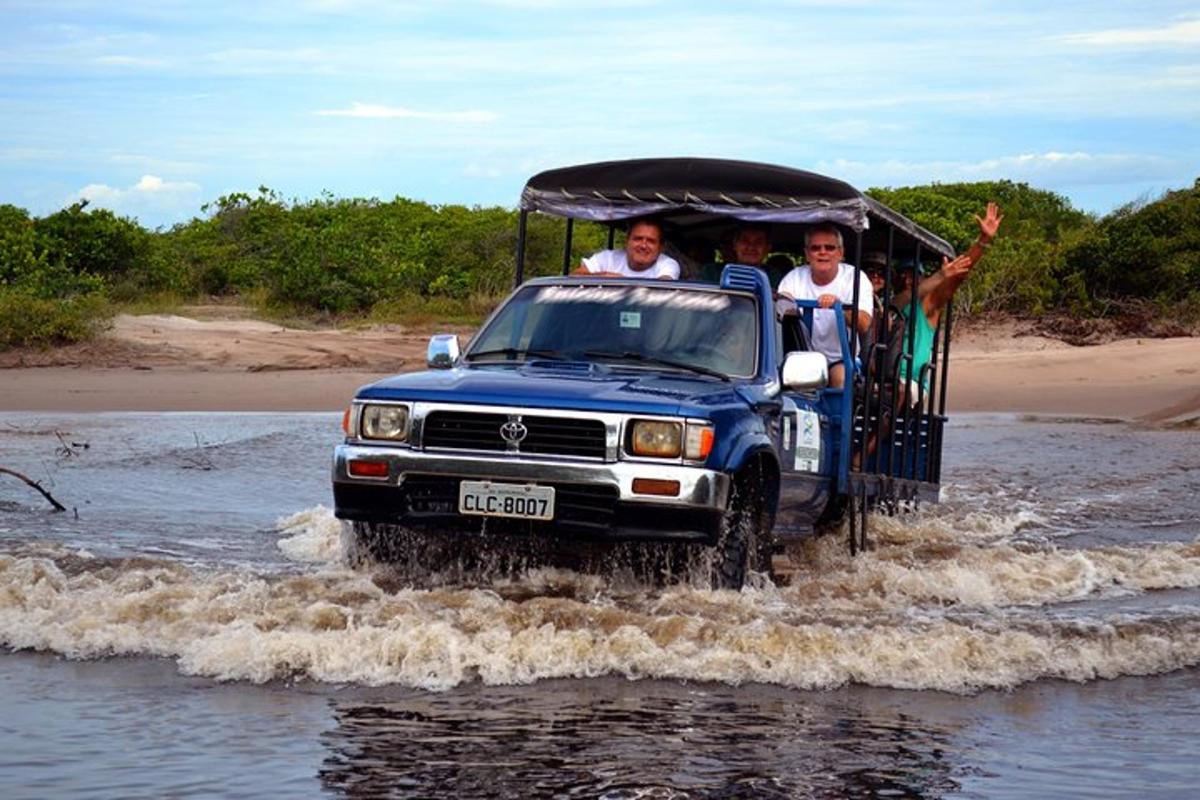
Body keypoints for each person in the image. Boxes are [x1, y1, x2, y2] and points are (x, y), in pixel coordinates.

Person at [890, 202, 1003, 401]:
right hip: (882, 377)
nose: (908, 280)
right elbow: (893, 304)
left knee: (899, 391)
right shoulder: (887, 302)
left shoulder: (927, 305)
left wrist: (982, 242)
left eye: (914, 275)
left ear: (924, 278)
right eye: (903, 275)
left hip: (910, 382)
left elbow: (956, 279)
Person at [776, 224, 874, 388]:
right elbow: (779, 314)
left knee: (841, 378)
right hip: (800, 359)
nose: (823, 252)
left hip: (841, 359)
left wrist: (839, 308)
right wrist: (786, 308)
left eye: (829, 248)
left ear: (840, 253)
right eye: (816, 248)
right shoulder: (793, 278)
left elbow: (864, 324)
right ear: (807, 254)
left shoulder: (855, 278)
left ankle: (840, 414)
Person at [573, 218, 680, 279]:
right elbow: (574, 276)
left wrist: (622, 282)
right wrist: (604, 276)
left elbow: (664, 287)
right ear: (627, 242)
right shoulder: (607, 258)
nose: (643, 246)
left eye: (651, 241)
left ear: (660, 247)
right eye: (638, 239)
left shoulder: (668, 264)